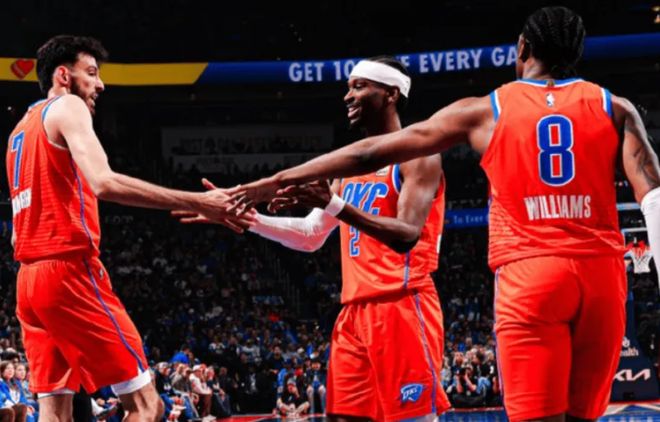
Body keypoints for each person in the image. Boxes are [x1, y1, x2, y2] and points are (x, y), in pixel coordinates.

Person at [230, 7, 660, 422]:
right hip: (602, 274)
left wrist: (272, 182)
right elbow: (654, 198)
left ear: (522, 47)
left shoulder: (486, 109)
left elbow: (367, 153)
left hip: (529, 273)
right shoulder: (616, 107)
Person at [178, 56, 450, 421]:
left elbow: (407, 234)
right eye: (348, 87)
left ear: (391, 94)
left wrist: (334, 204)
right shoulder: (348, 172)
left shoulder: (419, 156)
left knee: (411, 417)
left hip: (401, 305)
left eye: (359, 86)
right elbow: (311, 235)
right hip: (353, 312)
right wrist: (250, 219)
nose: (348, 96)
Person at [4, 35, 248, 422]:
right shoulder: (67, 106)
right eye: (91, 73)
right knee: (148, 406)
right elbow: (104, 182)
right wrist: (200, 202)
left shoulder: (19, 131)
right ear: (63, 76)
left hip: (29, 283)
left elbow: (17, 233)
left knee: (54, 412)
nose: (100, 84)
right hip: (67, 274)